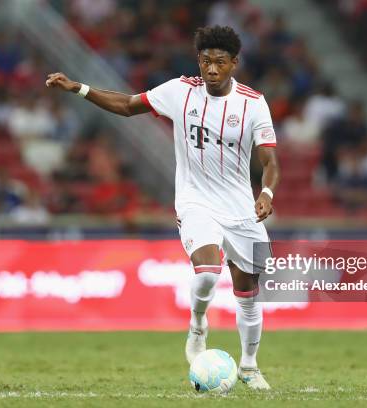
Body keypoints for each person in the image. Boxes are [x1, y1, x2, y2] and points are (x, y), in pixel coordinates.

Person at [45, 25, 279, 390]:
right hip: (195, 200)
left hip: (241, 208)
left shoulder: (253, 103)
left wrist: (266, 192)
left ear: (234, 63)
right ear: (198, 62)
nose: (212, 69)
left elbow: (270, 161)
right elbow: (126, 105)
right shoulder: (179, 91)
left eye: (220, 62)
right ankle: (198, 325)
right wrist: (80, 88)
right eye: (205, 61)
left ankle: (249, 365)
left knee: (248, 288)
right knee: (206, 272)